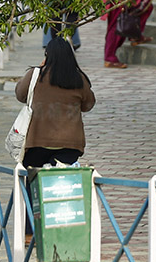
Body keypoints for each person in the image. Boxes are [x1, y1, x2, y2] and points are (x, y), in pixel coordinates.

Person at [15, 36, 96, 171]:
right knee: (61, 182)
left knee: (28, 183)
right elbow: (88, 105)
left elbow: (20, 95)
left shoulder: (35, 75)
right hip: (70, 144)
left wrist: (40, 68)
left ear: (47, 55)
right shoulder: (78, 78)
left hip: (37, 142)